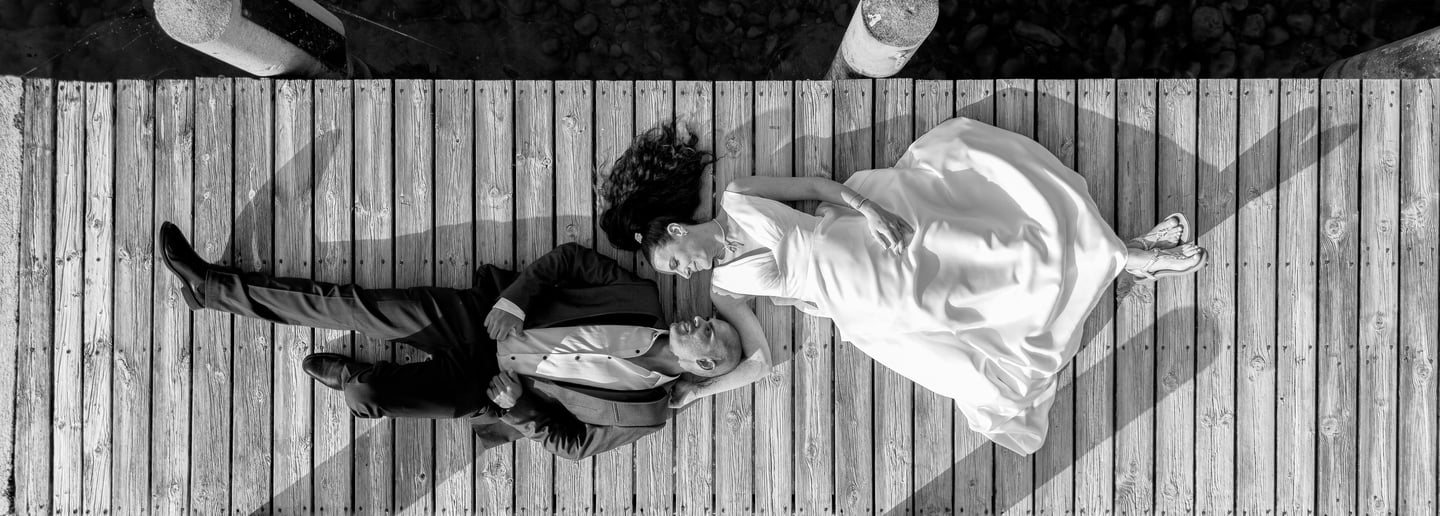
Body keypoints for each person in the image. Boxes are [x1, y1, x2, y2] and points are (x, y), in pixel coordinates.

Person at [598, 117, 1207, 455]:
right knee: (974, 315)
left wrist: (869, 210)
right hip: (865, 304)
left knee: (1000, 249)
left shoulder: (739, 197)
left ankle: (1127, 255)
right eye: (677, 275)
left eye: (674, 263)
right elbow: (757, 362)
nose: (685, 274)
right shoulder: (725, 291)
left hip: (866, 239)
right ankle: (1134, 258)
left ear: (677, 231)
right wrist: (699, 391)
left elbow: (815, 188)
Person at [157, 224, 742, 460]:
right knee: (350, 304)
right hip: (479, 319)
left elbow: (573, 445)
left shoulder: (646, 414)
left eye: (709, 333)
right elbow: (567, 259)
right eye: (709, 318)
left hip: (487, 388)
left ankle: (355, 379)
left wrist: (522, 407)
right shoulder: (640, 295)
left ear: (708, 366)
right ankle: (209, 288)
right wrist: (515, 300)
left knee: (367, 394)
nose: (698, 320)